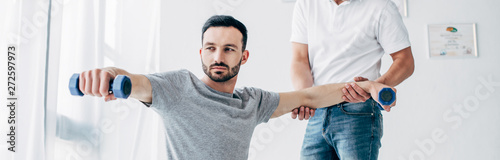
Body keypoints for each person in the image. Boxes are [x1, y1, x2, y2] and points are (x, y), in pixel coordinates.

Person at [77, 15, 396, 159]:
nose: (218, 56)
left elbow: (309, 95)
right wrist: (107, 73)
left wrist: (368, 86)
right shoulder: (176, 87)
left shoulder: (252, 103)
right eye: (211, 47)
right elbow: (134, 82)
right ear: (200, 52)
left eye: (229, 49)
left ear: (243, 56)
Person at [289, 0, 415, 159]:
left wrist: (373, 87)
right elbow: (300, 59)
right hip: (318, 109)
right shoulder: (306, 4)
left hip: (358, 109)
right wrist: (304, 96)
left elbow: (405, 61)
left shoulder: (381, 6)